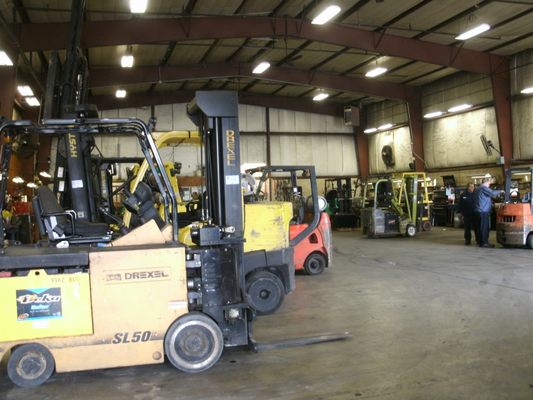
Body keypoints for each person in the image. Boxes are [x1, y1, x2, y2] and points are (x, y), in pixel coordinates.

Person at [473, 176, 504, 248]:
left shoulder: (477, 189)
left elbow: (482, 199)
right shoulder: (483, 188)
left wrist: (491, 204)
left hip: (478, 211)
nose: (489, 185)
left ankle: (480, 241)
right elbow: (493, 193)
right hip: (483, 211)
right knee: (484, 227)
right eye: (489, 183)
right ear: (486, 182)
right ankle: (485, 243)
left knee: (479, 227)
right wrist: (501, 191)